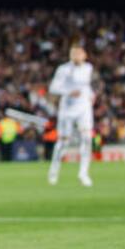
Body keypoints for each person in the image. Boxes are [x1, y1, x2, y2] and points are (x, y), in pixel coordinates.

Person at [47, 41, 95, 187]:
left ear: (84, 55)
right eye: (73, 53)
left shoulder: (88, 68)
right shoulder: (63, 69)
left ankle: (83, 173)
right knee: (63, 143)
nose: (76, 56)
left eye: (79, 53)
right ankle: (53, 172)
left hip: (84, 108)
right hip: (67, 110)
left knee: (87, 139)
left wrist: (91, 94)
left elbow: (85, 86)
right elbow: (53, 88)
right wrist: (68, 92)